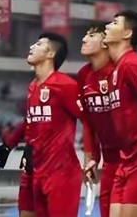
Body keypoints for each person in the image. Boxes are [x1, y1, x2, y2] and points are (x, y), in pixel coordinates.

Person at [21, 33, 84, 217]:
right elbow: (31, 125)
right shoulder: (33, 86)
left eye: (39, 44)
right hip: (38, 171)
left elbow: (88, 119)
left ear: (50, 54)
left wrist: (92, 155)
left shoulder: (66, 85)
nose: (32, 46)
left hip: (61, 173)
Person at [104, 11, 137, 217]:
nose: (107, 26)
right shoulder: (115, 70)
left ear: (127, 33)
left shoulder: (133, 64)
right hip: (124, 160)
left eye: (114, 23)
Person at [78, 22, 119, 217]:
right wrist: (91, 158)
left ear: (105, 42)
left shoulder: (119, 69)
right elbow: (88, 121)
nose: (84, 39)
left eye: (91, 35)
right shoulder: (84, 75)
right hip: (109, 161)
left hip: (131, 159)